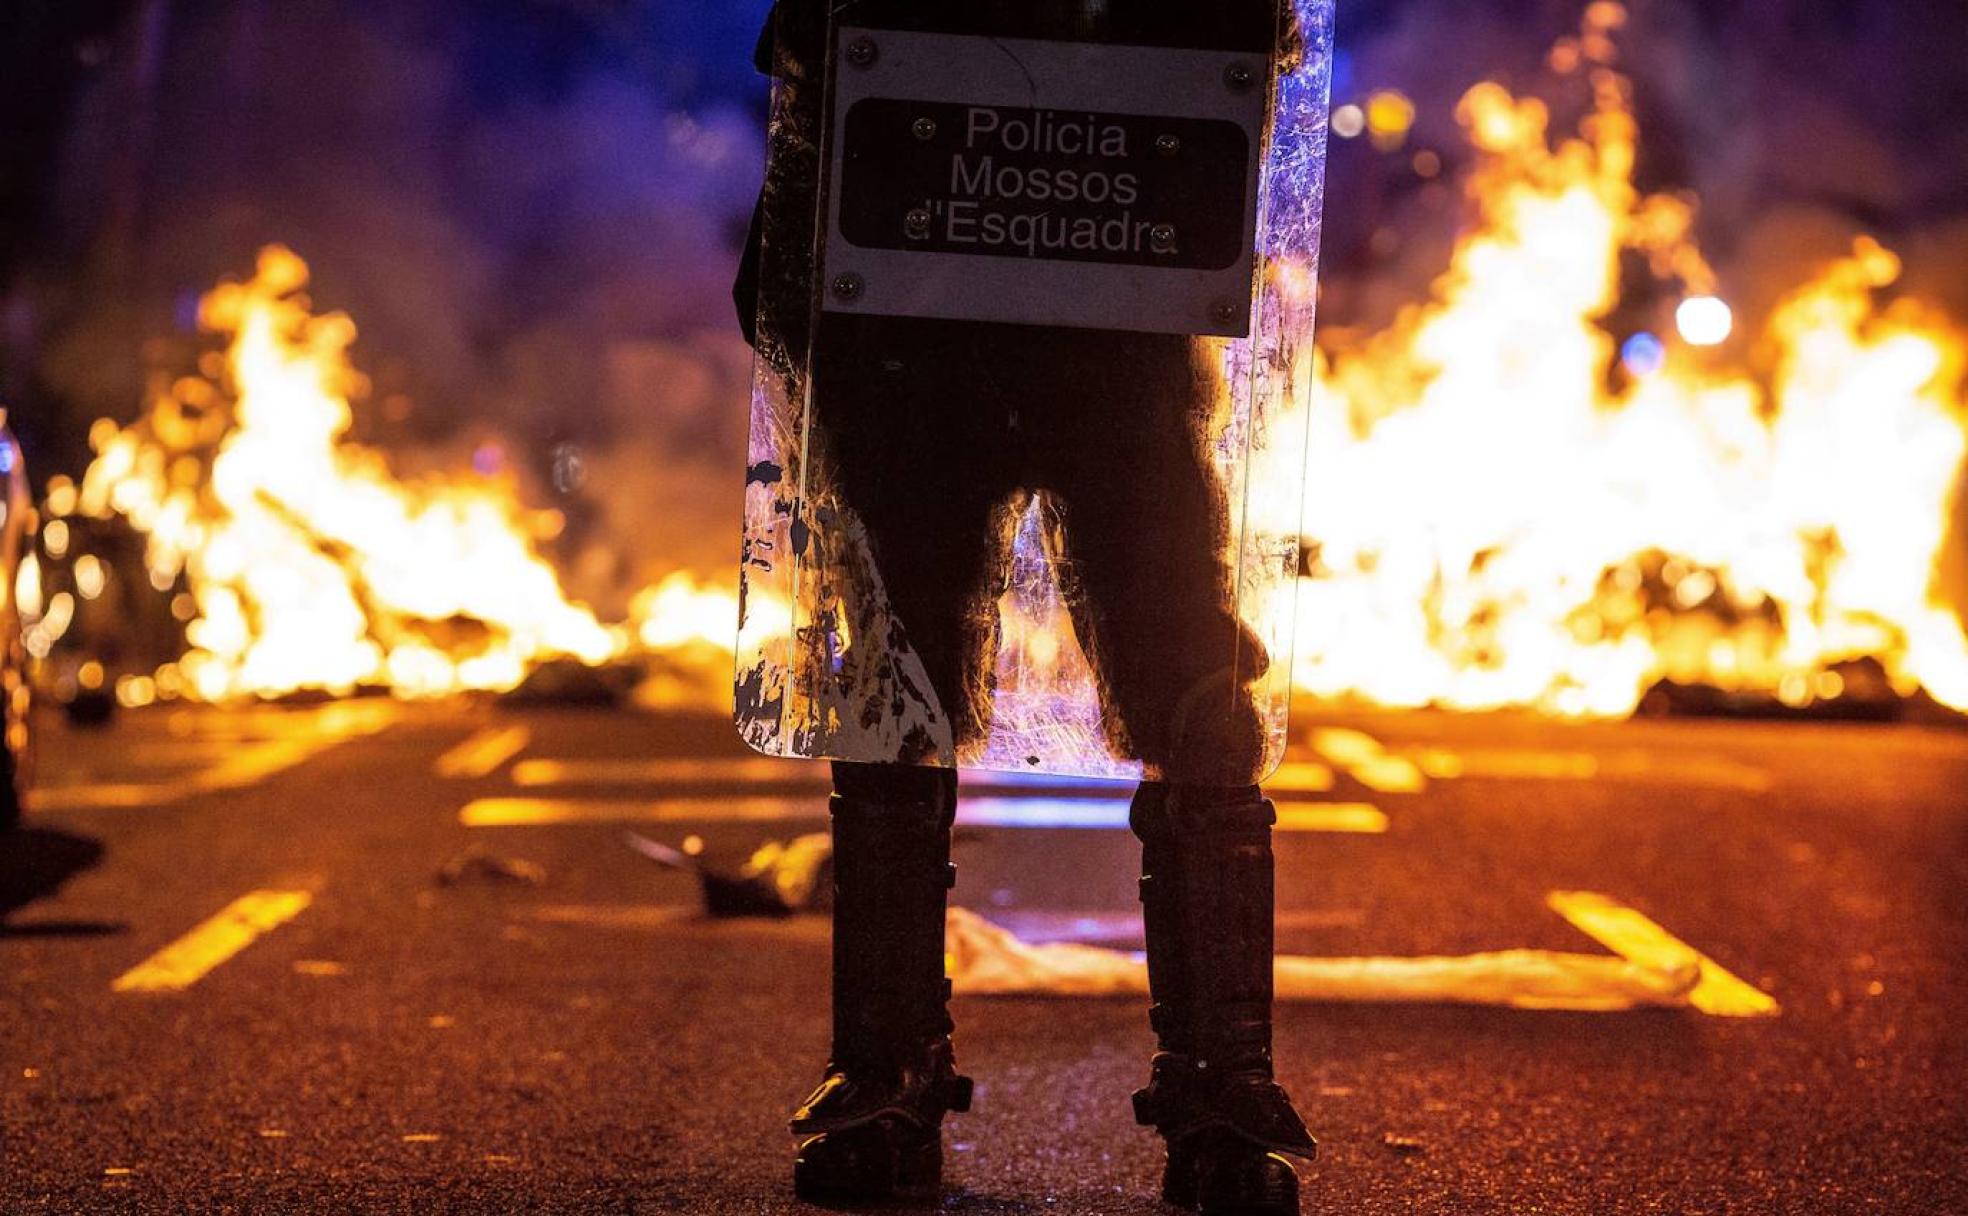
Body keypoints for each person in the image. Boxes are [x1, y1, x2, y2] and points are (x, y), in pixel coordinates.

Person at [734, 4, 1319, 1213]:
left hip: (1024, 340)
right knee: (906, 701)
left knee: (1172, 702)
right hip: (972, 337)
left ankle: (916, 1088)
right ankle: (1194, 1101)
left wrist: (795, 281)